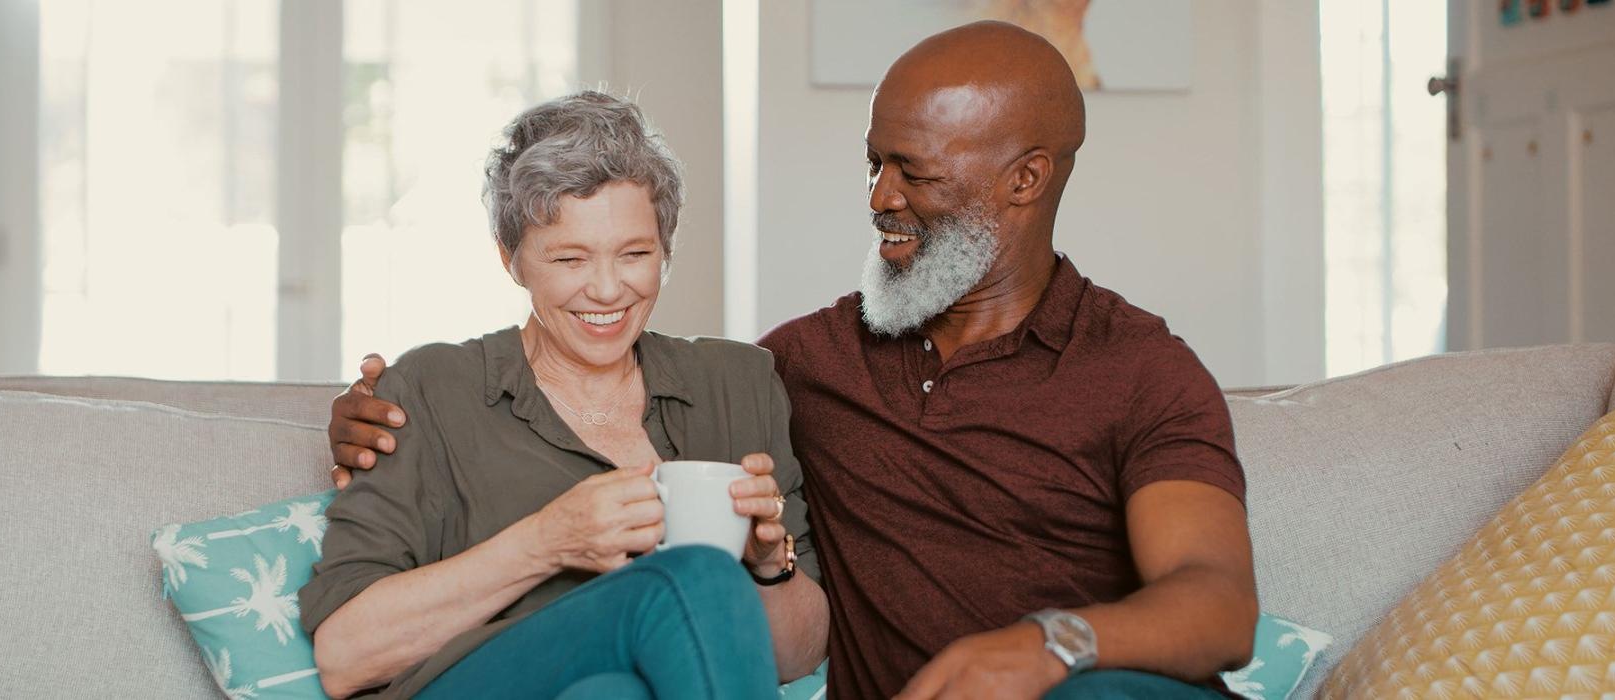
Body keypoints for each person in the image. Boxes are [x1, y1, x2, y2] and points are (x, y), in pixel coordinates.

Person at [330, 22, 1256, 700]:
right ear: (514, 259)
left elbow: (1218, 603)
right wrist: (360, 419)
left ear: (1027, 178)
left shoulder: (1139, 367)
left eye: (913, 172)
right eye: (872, 165)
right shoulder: (805, 364)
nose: (880, 196)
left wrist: (1051, 645)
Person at [300, 91, 827, 700]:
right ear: (511, 259)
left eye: (635, 254)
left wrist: (767, 565)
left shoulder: (737, 384)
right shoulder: (430, 388)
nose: (606, 289)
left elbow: (798, 656)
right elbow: (344, 659)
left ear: (666, 250)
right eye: (570, 258)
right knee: (698, 577)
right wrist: (547, 541)